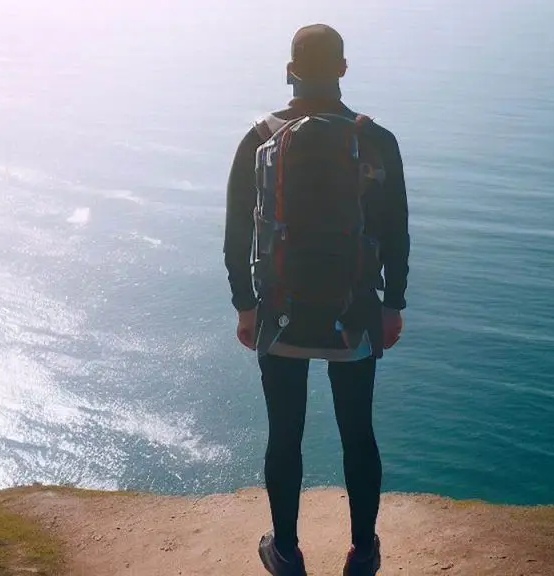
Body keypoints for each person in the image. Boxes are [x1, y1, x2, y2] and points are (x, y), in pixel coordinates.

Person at [223, 23, 410, 576]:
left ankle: (286, 550)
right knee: (358, 432)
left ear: (290, 70)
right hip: (354, 311)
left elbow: (236, 232)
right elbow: (396, 230)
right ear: (344, 70)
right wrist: (392, 303)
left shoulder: (258, 137)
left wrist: (245, 305)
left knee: (285, 433)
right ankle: (362, 551)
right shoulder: (376, 139)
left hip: (279, 312)